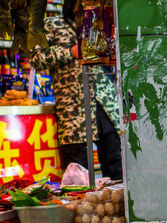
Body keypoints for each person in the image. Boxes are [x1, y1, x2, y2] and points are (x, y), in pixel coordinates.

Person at [27, 3, 123, 180]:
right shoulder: (52, 24)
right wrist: (71, 51)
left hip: (105, 103)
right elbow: (36, 58)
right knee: (77, 172)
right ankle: (81, 208)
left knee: (116, 164)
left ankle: (117, 207)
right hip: (74, 109)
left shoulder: (99, 24)